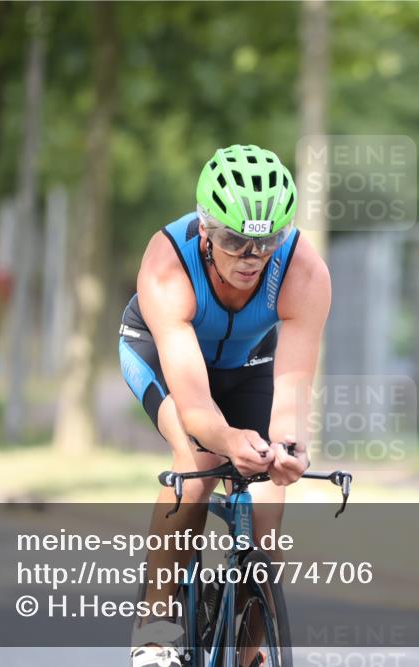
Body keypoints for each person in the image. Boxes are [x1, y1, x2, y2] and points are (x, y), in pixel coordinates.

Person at [120, 144, 331, 667]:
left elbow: (293, 382)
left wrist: (287, 450)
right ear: (205, 229)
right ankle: (157, 624)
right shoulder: (169, 262)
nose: (251, 256)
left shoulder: (304, 271)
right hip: (164, 355)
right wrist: (230, 440)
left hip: (249, 364)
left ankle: (249, 650)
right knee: (200, 463)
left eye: (267, 241)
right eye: (235, 240)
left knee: (268, 500)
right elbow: (196, 411)